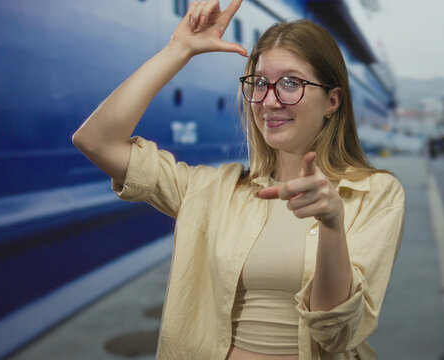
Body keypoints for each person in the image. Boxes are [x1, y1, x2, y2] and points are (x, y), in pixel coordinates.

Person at [72, 1, 405, 359]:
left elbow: (336, 334)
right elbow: (96, 141)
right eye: (260, 83)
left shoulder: (375, 194)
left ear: (332, 100)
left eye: (290, 83)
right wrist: (178, 49)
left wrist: (332, 225)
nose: (269, 101)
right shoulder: (211, 191)